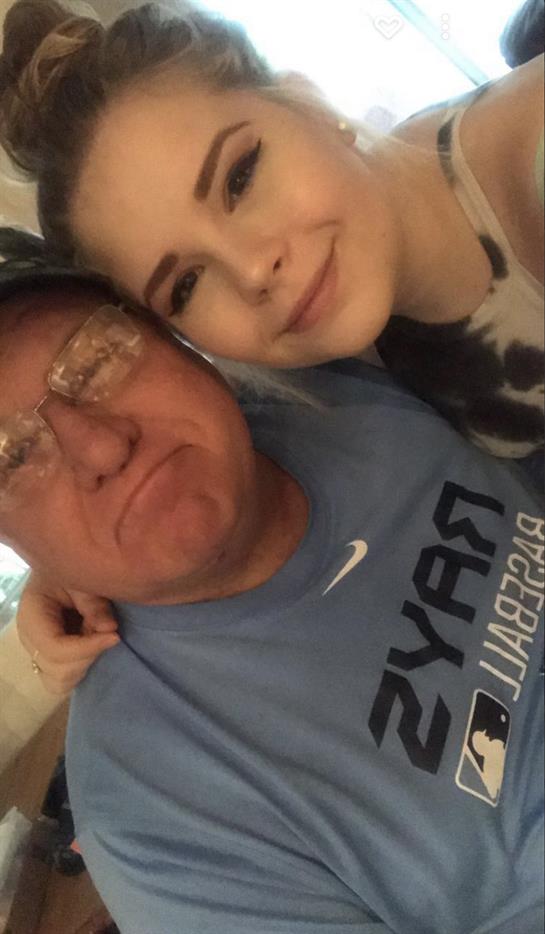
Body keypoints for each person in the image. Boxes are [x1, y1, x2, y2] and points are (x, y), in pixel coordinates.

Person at [0, 253, 543, 934]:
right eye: (13, 458)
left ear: (180, 343)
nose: (102, 449)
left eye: (90, 363)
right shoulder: (157, 820)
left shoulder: (335, 376)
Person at [0, 0, 543, 462]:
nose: (253, 269)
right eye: (185, 286)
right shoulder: (336, 366)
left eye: (240, 177)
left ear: (307, 103)